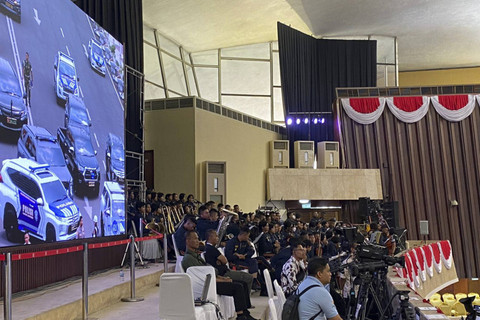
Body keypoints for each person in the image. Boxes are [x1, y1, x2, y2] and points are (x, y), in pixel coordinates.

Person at [181, 231, 258, 320]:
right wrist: (223, 280)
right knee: (238, 287)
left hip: (212, 281)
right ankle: (241, 316)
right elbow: (201, 278)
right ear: (187, 241)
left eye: (198, 238)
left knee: (242, 284)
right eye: (195, 238)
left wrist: (222, 278)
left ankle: (245, 313)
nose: (198, 241)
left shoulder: (195, 256)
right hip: (207, 286)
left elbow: (208, 272)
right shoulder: (189, 259)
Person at [204, 229, 254, 295]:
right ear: (210, 237)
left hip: (223, 271)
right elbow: (225, 260)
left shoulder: (209, 248)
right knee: (248, 277)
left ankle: (245, 301)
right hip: (223, 273)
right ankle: (246, 301)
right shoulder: (211, 248)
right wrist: (221, 261)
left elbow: (222, 260)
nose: (218, 238)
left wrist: (220, 260)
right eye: (216, 236)